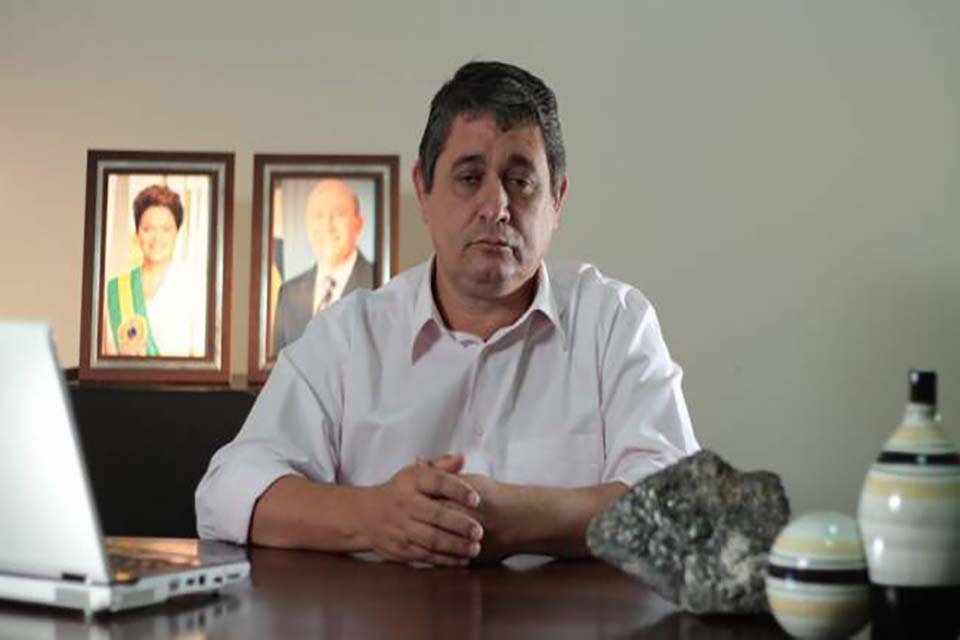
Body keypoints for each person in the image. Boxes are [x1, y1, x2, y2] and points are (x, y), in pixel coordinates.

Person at [196, 61, 698, 565]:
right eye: (469, 177)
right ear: (424, 190)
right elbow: (227, 491)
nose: (495, 206)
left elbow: (683, 509)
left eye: (520, 181)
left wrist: (524, 521)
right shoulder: (351, 335)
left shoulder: (614, 323)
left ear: (557, 199)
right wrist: (373, 516)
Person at [272, 179, 375, 354]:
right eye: (318, 216)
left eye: (339, 214)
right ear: (307, 224)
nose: (328, 226)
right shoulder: (288, 293)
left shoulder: (381, 284)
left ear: (359, 224)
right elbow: (276, 366)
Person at [104, 184, 203, 357]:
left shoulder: (194, 287)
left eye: (165, 229)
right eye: (148, 229)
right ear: (137, 233)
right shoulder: (117, 290)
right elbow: (107, 358)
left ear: (177, 232)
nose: (157, 238)